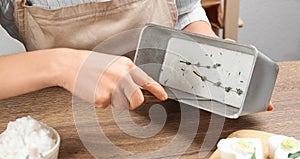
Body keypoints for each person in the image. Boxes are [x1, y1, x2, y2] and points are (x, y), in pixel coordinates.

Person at [0, 0, 233, 110]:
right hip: (58, 124)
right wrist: (64, 66)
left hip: (161, 109)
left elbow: (185, 12)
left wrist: (208, 51)